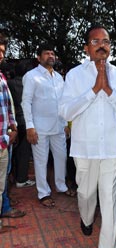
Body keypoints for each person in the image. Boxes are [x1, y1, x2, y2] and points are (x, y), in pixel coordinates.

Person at [59, 24, 116, 248]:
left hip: (113, 148)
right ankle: (86, 217)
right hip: (84, 148)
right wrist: (94, 90)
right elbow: (66, 112)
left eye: (106, 40)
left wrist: (109, 91)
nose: (102, 45)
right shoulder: (74, 76)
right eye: (96, 41)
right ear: (86, 47)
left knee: (110, 198)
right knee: (85, 192)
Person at [22, 43, 68, 208]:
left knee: (61, 157)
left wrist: (66, 122)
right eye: (46, 53)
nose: (50, 56)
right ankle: (43, 193)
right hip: (39, 128)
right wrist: (29, 126)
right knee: (41, 161)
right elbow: (25, 102)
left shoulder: (58, 77)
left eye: (52, 53)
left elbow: (62, 102)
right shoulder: (31, 76)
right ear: (39, 57)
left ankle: (61, 186)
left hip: (58, 126)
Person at [8, 61, 35, 188]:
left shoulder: (10, 83)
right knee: (24, 152)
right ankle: (21, 179)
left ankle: (12, 176)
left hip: (13, 122)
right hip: (26, 121)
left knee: (13, 151)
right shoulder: (29, 84)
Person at [0, 32, 18, 232]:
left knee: (1, 184)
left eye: (3, 51)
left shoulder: (2, 77)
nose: (1, 55)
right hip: (2, 139)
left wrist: (13, 128)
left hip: (4, 141)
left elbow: (7, 105)